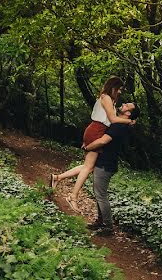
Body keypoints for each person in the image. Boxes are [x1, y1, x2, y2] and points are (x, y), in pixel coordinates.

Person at [50, 76, 134, 207]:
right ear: (113, 87)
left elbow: (111, 118)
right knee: (88, 167)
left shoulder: (109, 100)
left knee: (88, 167)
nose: (120, 92)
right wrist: (129, 121)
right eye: (119, 89)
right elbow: (112, 119)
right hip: (97, 130)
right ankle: (73, 197)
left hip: (97, 130)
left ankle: (58, 178)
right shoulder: (106, 97)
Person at [84, 103, 139, 235]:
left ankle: (108, 227)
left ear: (128, 113)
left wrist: (88, 147)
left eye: (127, 105)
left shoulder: (119, 126)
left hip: (106, 163)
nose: (123, 104)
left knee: (101, 194)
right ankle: (100, 221)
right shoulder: (120, 123)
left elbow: (103, 141)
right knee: (98, 192)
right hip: (105, 162)